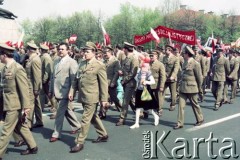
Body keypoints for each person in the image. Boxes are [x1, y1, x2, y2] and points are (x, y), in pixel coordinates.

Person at [0, 43, 38, 159]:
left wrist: (26, 107)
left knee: (6, 131)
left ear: (4, 55)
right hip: (8, 103)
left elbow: (24, 89)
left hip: (15, 105)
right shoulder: (5, 68)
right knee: (20, 126)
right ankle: (33, 146)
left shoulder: (17, 68)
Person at [69, 42, 109, 153]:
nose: (84, 54)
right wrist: (72, 91)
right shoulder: (82, 64)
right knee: (93, 117)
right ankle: (103, 134)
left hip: (92, 96)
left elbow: (104, 84)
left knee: (85, 119)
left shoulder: (99, 65)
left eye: (87, 52)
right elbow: (76, 80)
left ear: (94, 52)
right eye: (84, 51)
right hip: (83, 95)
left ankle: (79, 142)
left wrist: (104, 99)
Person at [48, 42, 81, 142]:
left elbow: (74, 79)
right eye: (59, 49)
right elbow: (53, 77)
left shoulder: (72, 62)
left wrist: (71, 92)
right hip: (57, 90)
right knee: (66, 110)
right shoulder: (57, 61)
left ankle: (56, 133)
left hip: (65, 92)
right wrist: (50, 90)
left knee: (59, 113)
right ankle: (76, 126)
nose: (60, 51)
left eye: (62, 49)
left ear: (68, 50)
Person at [174, 46, 204, 129]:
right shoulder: (184, 62)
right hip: (183, 88)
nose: (183, 55)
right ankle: (180, 123)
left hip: (192, 88)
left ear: (187, 54)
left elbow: (199, 78)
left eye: (184, 53)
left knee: (195, 104)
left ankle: (200, 119)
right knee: (181, 105)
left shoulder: (195, 63)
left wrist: (199, 88)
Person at [130, 59, 160, 129]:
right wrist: (138, 82)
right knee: (137, 107)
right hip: (139, 90)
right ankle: (136, 123)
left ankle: (156, 116)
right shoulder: (139, 72)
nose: (144, 68)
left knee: (150, 106)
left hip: (147, 91)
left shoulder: (148, 73)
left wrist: (146, 82)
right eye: (143, 66)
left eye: (145, 67)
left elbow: (153, 82)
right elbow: (136, 78)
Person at [116, 42, 139, 126]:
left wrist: (124, 80)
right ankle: (140, 112)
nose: (123, 50)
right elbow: (124, 69)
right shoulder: (126, 58)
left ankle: (122, 118)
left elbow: (133, 72)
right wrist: (121, 72)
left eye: (124, 49)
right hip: (125, 82)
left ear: (126, 49)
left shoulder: (134, 59)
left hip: (130, 83)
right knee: (130, 101)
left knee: (125, 101)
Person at [99, 46, 121, 119]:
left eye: (106, 52)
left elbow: (116, 73)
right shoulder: (104, 61)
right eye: (104, 53)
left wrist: (113, 82)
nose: (105, 54)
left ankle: (122, 108)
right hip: (104, 83)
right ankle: (102, 113)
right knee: (103, 98)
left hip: (111, 83)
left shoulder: (115, 61)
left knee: (114, 98)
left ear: (111, 52)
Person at [162, 45, 180, 111]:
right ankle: (160, 106)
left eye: (166, 50)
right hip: (165, 78)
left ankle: (173, 104)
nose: (164, 51)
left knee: (173, 92)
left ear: (170, 50)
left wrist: (173, 76)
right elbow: (163, 67)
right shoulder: (164, 58)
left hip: (172, 78)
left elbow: (176, 68)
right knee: (162, 92)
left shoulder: (175, 58)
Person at [149, 50, 166, 116]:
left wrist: (161, 86)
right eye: (150, 55)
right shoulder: (148, 63)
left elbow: (163, 76)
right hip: (149, 83)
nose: (151, 57)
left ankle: (160, 109)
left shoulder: (160, 64)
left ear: (156, 56)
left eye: (152, 56)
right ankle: (146, 110)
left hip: (157, 84)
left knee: (159, 97)